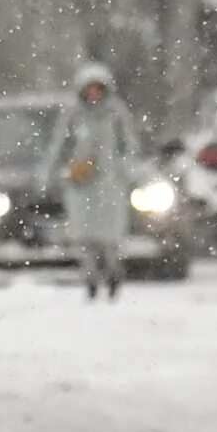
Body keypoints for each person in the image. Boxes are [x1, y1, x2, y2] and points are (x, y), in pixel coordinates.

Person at [43, 61, 140, 301]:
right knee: (84, 237)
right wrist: (56, 174)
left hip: (110, 185)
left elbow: (130, 145)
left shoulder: (115, 113)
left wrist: (122, 169)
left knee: (110, 238)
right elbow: (58, 147)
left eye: (98, 89)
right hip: (80, 185)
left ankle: (113, 272)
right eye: (90, 89)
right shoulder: (73, 114)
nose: (93, 94)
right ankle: (90, 278)